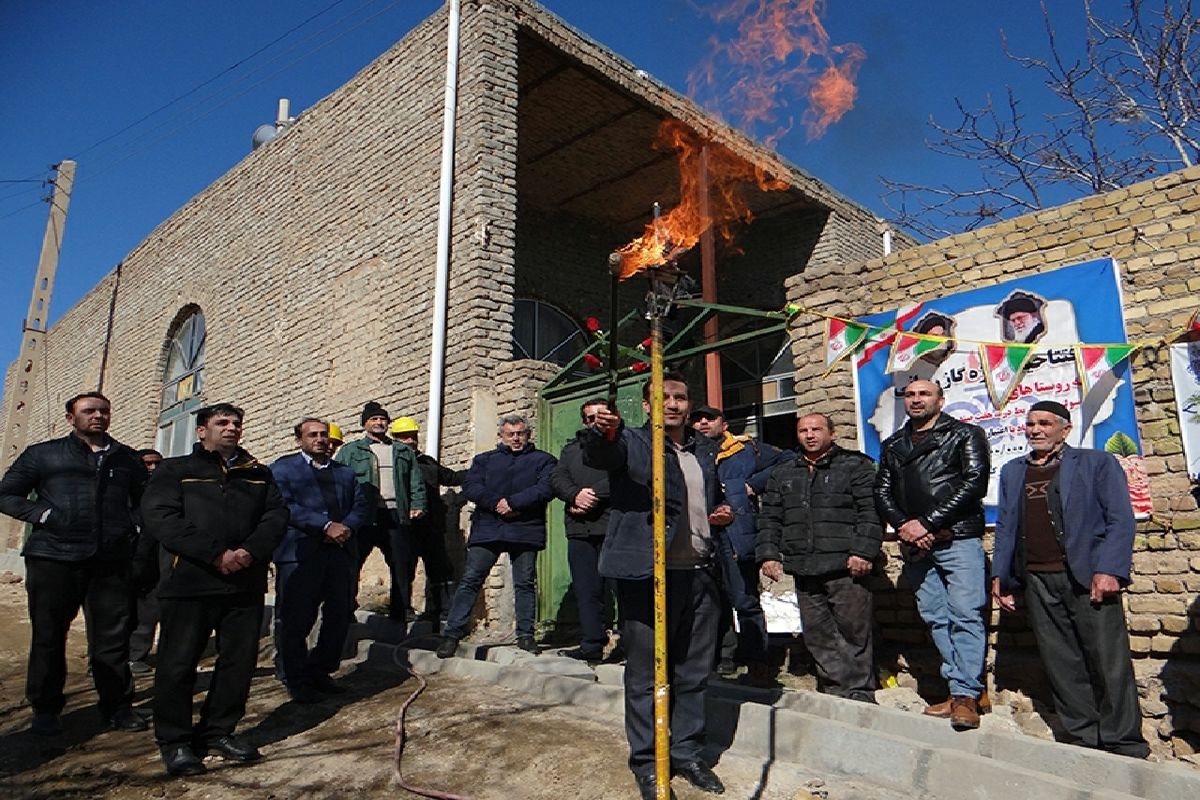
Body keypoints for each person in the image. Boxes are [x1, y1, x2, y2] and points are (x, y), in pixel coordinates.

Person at [587, 373, 732, 800]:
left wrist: (720, 512)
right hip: (648, 574)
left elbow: (702, 500)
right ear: (647, 405)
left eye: (681, 397)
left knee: (693, 670)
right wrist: (604, 431)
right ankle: (650, 762)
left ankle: (686, 752)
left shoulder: (702, 450)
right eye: (663, 397)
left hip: (701, 571)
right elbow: (602, 454)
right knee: (647, 673)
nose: (673, 404)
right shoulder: (633, 442)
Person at [992, 400, 1149, 758]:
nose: (1035, 430)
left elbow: (1120, 519)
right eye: (1030, 424)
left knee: (1108, 661)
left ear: (1065, 428)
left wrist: (1110, 569)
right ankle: (1082, 737)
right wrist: (1002, 575)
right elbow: (1006, 527)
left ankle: (1123, 742)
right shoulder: (1014, 471)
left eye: (1044, 423)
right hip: (1037, 579)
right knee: (1060, 661)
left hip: (1088, 577)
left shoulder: (1096, 463)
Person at [141, 403, 288, 776]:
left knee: (238, 662)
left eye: (237, 422)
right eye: (222, 422)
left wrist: (249, 552)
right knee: (178, 663)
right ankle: (175, 742)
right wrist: (215, 554)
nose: (232, 428)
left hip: (244, 581)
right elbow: (162, 518)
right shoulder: (175, 471)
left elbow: (276, 517)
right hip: (189, 582)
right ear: (201, 430)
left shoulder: (258, 473)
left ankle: (219, 730)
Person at [0, 392, 149, 735]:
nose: (97, 416)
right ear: (71, 418)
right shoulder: (44, 455)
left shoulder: (126, 459)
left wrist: (132, 524)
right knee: (49, 635)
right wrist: (44, 514)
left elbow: (146, 500)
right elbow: (7, 494)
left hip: (110, 561)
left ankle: (117, 706)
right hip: (54, 557)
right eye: (89, 411)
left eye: (103, 411)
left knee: (112, 639)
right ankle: (46, 708)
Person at [874, 379, 990, 729]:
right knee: (936, 617)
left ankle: (966, 696)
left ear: (941, 400)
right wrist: (905, 526)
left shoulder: (965, 435)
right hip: (916, 545)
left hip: (957, 538)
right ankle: (961, 689)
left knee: (966, 615)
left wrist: (926, 522)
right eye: (910, 395)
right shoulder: (894, 444)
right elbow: (882, 490)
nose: (916, 400)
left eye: (924, 394)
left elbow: (975, 482)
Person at [758, 413, 881, 703]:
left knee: (854, 629)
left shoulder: (855, 466)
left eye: (816, 429)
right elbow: (770, 517)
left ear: (832, 433)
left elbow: (870, 512)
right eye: (803, 430)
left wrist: (863, 551)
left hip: (846, 566)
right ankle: (833, 688)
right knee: (817, 632)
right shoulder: (784, 472)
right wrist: (768, 554)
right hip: (804, 565)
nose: (809, 435)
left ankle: (860, 690)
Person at [437, 414, 556, 656]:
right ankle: (452, 635)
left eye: (520, 433)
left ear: (528, 434)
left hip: (525, 528)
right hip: (489, 527)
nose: (516, 438)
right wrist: (497, 503)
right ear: (500, 436)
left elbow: (546, 488)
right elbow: (471, 486)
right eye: (510, 434)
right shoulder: (484, 460)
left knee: (524, 583)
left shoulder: (543, 460)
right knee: (471, 579)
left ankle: (525, 635)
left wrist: (514, 503)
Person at [271, 418, 369, 704]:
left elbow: (360, 506)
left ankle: (321, 671)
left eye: (324, 435)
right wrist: (325, 526)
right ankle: (294, 676)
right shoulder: (283, 469)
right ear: (299, 439)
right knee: (296, 619)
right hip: (300, 553)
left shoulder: (345, 473)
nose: (320, 439)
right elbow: (285, 505)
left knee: (339, 616)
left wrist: (346, 527)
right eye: (312, 435)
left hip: (340, 552)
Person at [690, 403, 790, 682]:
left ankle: (757, 661)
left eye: (709, 419)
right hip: (702, 534)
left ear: (723, 423)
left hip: (736, 533)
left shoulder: (746, 449)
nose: (702, 424)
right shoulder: (688, 453)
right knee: (710, 601)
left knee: (744, 599)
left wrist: (752, 485)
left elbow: (788, 460)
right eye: (696, 420)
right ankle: (722, 658)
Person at [335, 402, 426, 621]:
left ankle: (400, 609)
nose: (379, 423)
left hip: (395, 513)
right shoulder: (350, 451)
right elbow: (339, 482)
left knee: (400, 563)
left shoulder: (402, 451)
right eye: (374, 419)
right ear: (365, 424)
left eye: (382, 419)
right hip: (363, 516)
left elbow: (415, 480)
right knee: (352, 563)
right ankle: (345, 608)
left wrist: (417, 503)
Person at [551, 398, 615, 661]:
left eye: (600, 417)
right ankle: (592, 644)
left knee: (624, 588)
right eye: (590, 418)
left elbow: (626, 475)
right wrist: (574, 495)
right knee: (586, 589)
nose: (595, 422)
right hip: (579, 528)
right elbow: (557, 477)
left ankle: (633, 645)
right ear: (584, 421)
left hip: (612, 526)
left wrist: (593, 496)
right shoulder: (571, 449)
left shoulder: (619, 446)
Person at [388, 416, 465, 628]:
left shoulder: (426, 462)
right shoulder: (393, 463)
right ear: (394, 439)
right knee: (405, 568)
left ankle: (439, 610)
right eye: (404, 437)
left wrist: (481, 469)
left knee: (439, 568)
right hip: (405, 526)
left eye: (413, 436)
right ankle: (401, 610)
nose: (410, 441)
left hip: (431, 526)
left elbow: (450, 478)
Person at [128, 448, 164, 676]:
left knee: (148, 613)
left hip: (153, 563)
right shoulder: (127, 492)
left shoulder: (165, 492)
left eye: (157, 464)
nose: (152, 469)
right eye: (147, 464)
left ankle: (136, 656)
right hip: (124, 560)